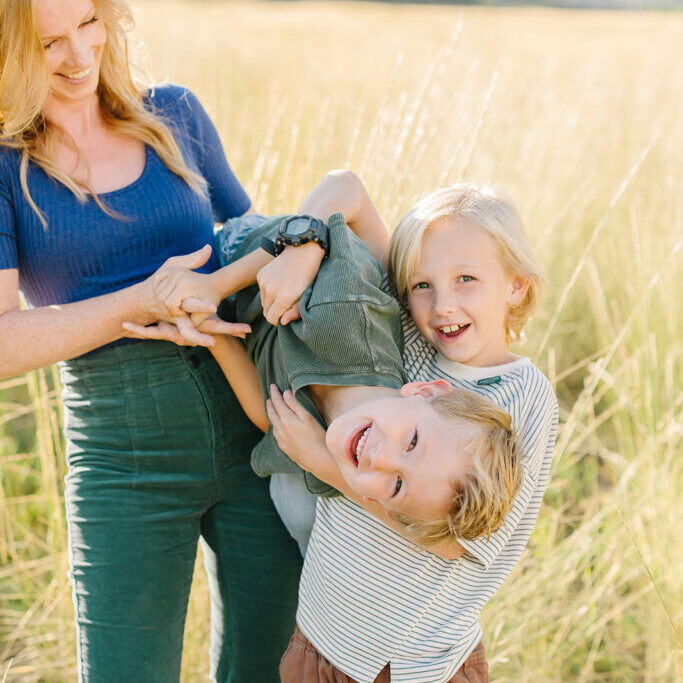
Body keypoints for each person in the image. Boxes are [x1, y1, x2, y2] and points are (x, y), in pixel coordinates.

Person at [0, 0, 302, 681]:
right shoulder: (4, 166)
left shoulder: (175, 115)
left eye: (89, 23)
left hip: (253, 432)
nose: (80, 56)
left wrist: (302, 245)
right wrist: (139, 300)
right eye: (49, 43)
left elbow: (253, 241)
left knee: (270, 667)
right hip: (122, 462)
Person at [258, 174, 559, 682]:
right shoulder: (407, 337)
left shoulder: (523, 394)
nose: (442, 305)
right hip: (323, 639)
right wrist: (302, 249)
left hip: (419, 662)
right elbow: (346, 190)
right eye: (422, 284)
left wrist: (326, 466)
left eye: (467, 279)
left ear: (515, 285)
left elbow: (460, 540)